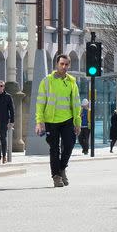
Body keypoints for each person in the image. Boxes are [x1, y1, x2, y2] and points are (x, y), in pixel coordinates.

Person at [35, 53, 81, 187]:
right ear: (57, 64)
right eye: (62, 64)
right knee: (54, 149)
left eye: (66, 64)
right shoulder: (47, 81)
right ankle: (56, 176)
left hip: (68, 120)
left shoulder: (72, 82)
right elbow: (40, 103)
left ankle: (62, 168)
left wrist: (77, 123)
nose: (64, 66)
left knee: (69, 145)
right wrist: (39, 121)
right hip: (51, 121)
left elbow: (76, 104)